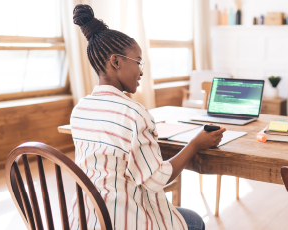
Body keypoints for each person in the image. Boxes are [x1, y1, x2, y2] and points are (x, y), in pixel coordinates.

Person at [67, 4, 224, 230]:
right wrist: (195, 144)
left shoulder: (80, 109)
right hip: (124, 221)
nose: (141, 71)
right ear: (116, 61)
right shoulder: (134, 113)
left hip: (86, 219)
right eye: (138, 62)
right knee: (195, 221)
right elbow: (157, 179)